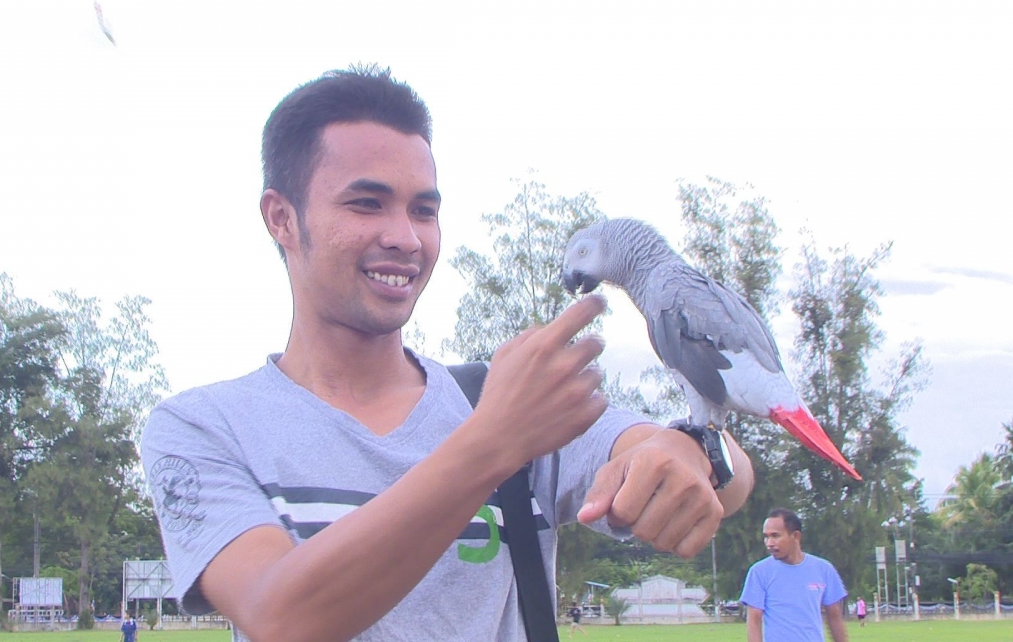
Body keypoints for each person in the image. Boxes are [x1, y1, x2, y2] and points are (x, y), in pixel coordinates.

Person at [141, 65, 755, 642]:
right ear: (281, 218)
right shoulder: (203, 428)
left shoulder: (502, 403)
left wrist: (685, 451)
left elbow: (718, 474)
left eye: (424, 211)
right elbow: (282, 614)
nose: (405, 238)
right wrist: (490, 444)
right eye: (366, 203)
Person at [741, 508, 848, 642]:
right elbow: (754, 621)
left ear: (796, 536)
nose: (769, 543)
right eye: (766, 537)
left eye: (775, 536)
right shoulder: (759, 572)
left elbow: (834, 617)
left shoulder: (824, 569)